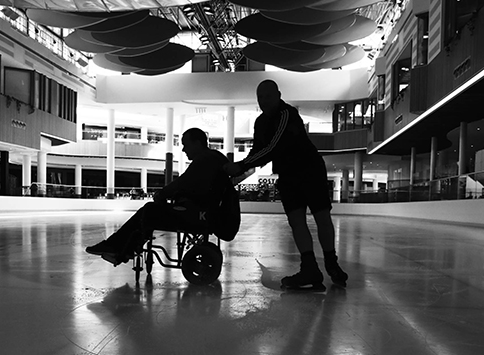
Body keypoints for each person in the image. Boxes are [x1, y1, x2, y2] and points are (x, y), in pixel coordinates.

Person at [224, 79, 349, 291]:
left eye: (267, 96)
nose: (263, 101)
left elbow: (273, 147)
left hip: (310, 170)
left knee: (322, 217)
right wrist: (241, 168)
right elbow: (258, 151)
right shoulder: (260, 123)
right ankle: (310, 268)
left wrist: (242, 165)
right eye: (260, 97)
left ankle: (331, 262)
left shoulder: (287, 114)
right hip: (288, 175)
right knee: (296, 221)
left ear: (279, 95)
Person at [87, 128, 230, 265]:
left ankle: (115, 246)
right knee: (153, 213)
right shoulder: (216, 158)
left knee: (149, 211)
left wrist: (162, 193)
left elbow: (183, 182)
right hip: (207, 212)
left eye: (186, 145)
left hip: (197, 214)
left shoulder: (203, 160)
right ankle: (125, 249)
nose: (183, 149)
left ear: (197, 143)